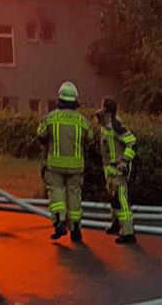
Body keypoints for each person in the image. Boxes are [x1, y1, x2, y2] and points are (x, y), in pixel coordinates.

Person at [37, 81, 93, 242]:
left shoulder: (50, 118)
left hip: (54, 165)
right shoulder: (82, 121)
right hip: (76, 166)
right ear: (75, 101)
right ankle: (75, 228)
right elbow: (90, 139)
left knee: (56, 192)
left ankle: (60, 222)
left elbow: (40, 135)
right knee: (75, 196)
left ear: (59, 100)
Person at [96, 97, 136, 244]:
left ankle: (128, 232)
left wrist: (125, 161)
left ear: (107, 110)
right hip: (110, 168)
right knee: (113, 198)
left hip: (118, 167)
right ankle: (116, 224)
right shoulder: (106, 126)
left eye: (103, 108)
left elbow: (131, 141)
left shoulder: (116, 124)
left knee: (121, 199)